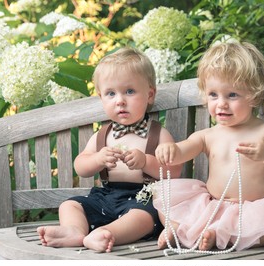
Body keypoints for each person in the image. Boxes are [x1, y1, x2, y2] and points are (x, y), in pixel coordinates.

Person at [154, 41, 264, 251]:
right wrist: (171, 150)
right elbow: (183, 150)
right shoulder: (206, 135)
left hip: (252, 211)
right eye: (213, 95)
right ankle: (178, 228)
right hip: (212, 204)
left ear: (254, 96)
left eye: (232, 95)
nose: (221, 103)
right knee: (165, 198)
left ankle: (219, 235)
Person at [37, 47, 182, 252]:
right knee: (69, 205)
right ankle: (75, 230)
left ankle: (107, 234)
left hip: (143, 197)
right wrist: (97, 159)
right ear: (101, 98)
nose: (120, 100)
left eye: (129, 91)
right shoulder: (103, 135)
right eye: (111, 93)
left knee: (143, 218)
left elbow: (174, 171)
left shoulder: (158, 134)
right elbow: (81, 167)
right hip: (106, 195)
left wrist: (145, 162)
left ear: (150, 94)